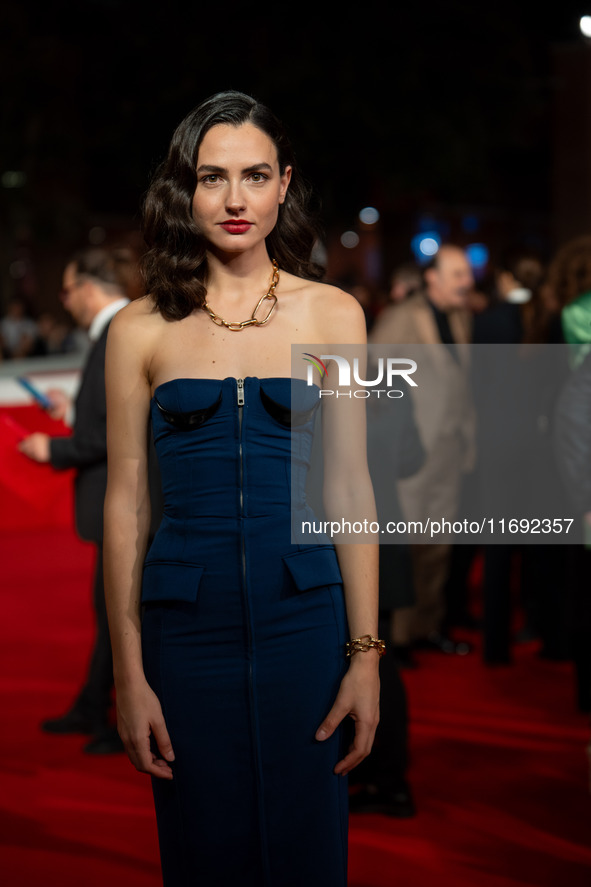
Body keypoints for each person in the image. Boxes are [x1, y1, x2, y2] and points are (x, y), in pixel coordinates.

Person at [102, 91, 380, 887]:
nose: (234, 199)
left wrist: (364, 655)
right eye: (212, 177)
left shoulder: (333, 316)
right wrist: (129, 672)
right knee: (204, 854)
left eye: (254, 176)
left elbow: (350, 488)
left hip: (305, 622)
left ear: (283, 184)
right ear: (183, 190)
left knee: (307, 852)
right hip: (185, 633)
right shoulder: (140, 328)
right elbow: (126, 504)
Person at [18, 247, 134, 753]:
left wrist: (55, 447)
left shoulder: (120, 332)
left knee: (123, 614)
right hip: (118, 500)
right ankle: (95, 706)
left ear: (89, 286)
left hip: (124, 502)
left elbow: (120, 435)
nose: (65, 302)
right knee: (112, 612)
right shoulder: (116, 331)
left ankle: (116, 715)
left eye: (67, 290)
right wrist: (72, 414)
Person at [369, 244, 475, 656]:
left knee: (438, 545)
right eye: (458, 275)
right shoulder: (402, 317)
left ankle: (426, 628)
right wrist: (395, 428)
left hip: (451, 447)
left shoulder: (461, 317)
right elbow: (370, 369)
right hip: (411, 452)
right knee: (406, 543)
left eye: (467, 274)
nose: (467, 282)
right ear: (432, 277)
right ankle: (396, 636)